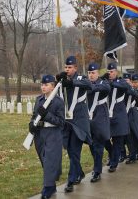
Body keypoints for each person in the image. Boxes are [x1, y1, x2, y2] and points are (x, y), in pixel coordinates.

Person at [56, 56, 92, 193]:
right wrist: (58, 80)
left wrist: (71, 83)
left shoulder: (81, 79)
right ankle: (80, 172)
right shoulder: (63, 81)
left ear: (75, 68)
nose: (67, 70)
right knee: (71, 152)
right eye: (66, 67)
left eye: (70, 67)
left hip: (79, 123)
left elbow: (89, 85)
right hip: (66, 123)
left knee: (75, 151)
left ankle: (70, 181)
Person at [29, 74, 65, 199]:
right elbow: (34, 115)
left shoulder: (58, 101)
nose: (43, 87)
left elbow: (61, 122)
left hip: (53, 134)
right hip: (40, 134)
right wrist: (31, 125)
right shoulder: (39, 99)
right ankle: (52, 184)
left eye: (46, 85)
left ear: (53, 86)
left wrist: (47, 115)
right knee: (44, 161)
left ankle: (48, 188)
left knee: (50, 161)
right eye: (42, 84)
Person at [103, 63, 132, 172]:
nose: (110, 74)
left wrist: (112, 83)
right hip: (107, 117)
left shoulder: (121, 82)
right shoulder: (105, 83)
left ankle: (114, 163)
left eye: (112, 72)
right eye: (108, 72)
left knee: (117, 141)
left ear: (116, 72)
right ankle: (111, 154)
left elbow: (126, 87)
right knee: (104, 138)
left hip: (119, 117)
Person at [86, 62, 111, 183]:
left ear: (98, 73)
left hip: (100, 116)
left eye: (93, 73)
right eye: (89, 73)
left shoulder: (104, 82)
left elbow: (106, 88)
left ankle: (97, 171)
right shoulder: (85, 83)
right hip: (88, 117)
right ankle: (98, 164)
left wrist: (90, 86)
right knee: (92, 145)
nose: (91, 75)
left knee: (99, 145)